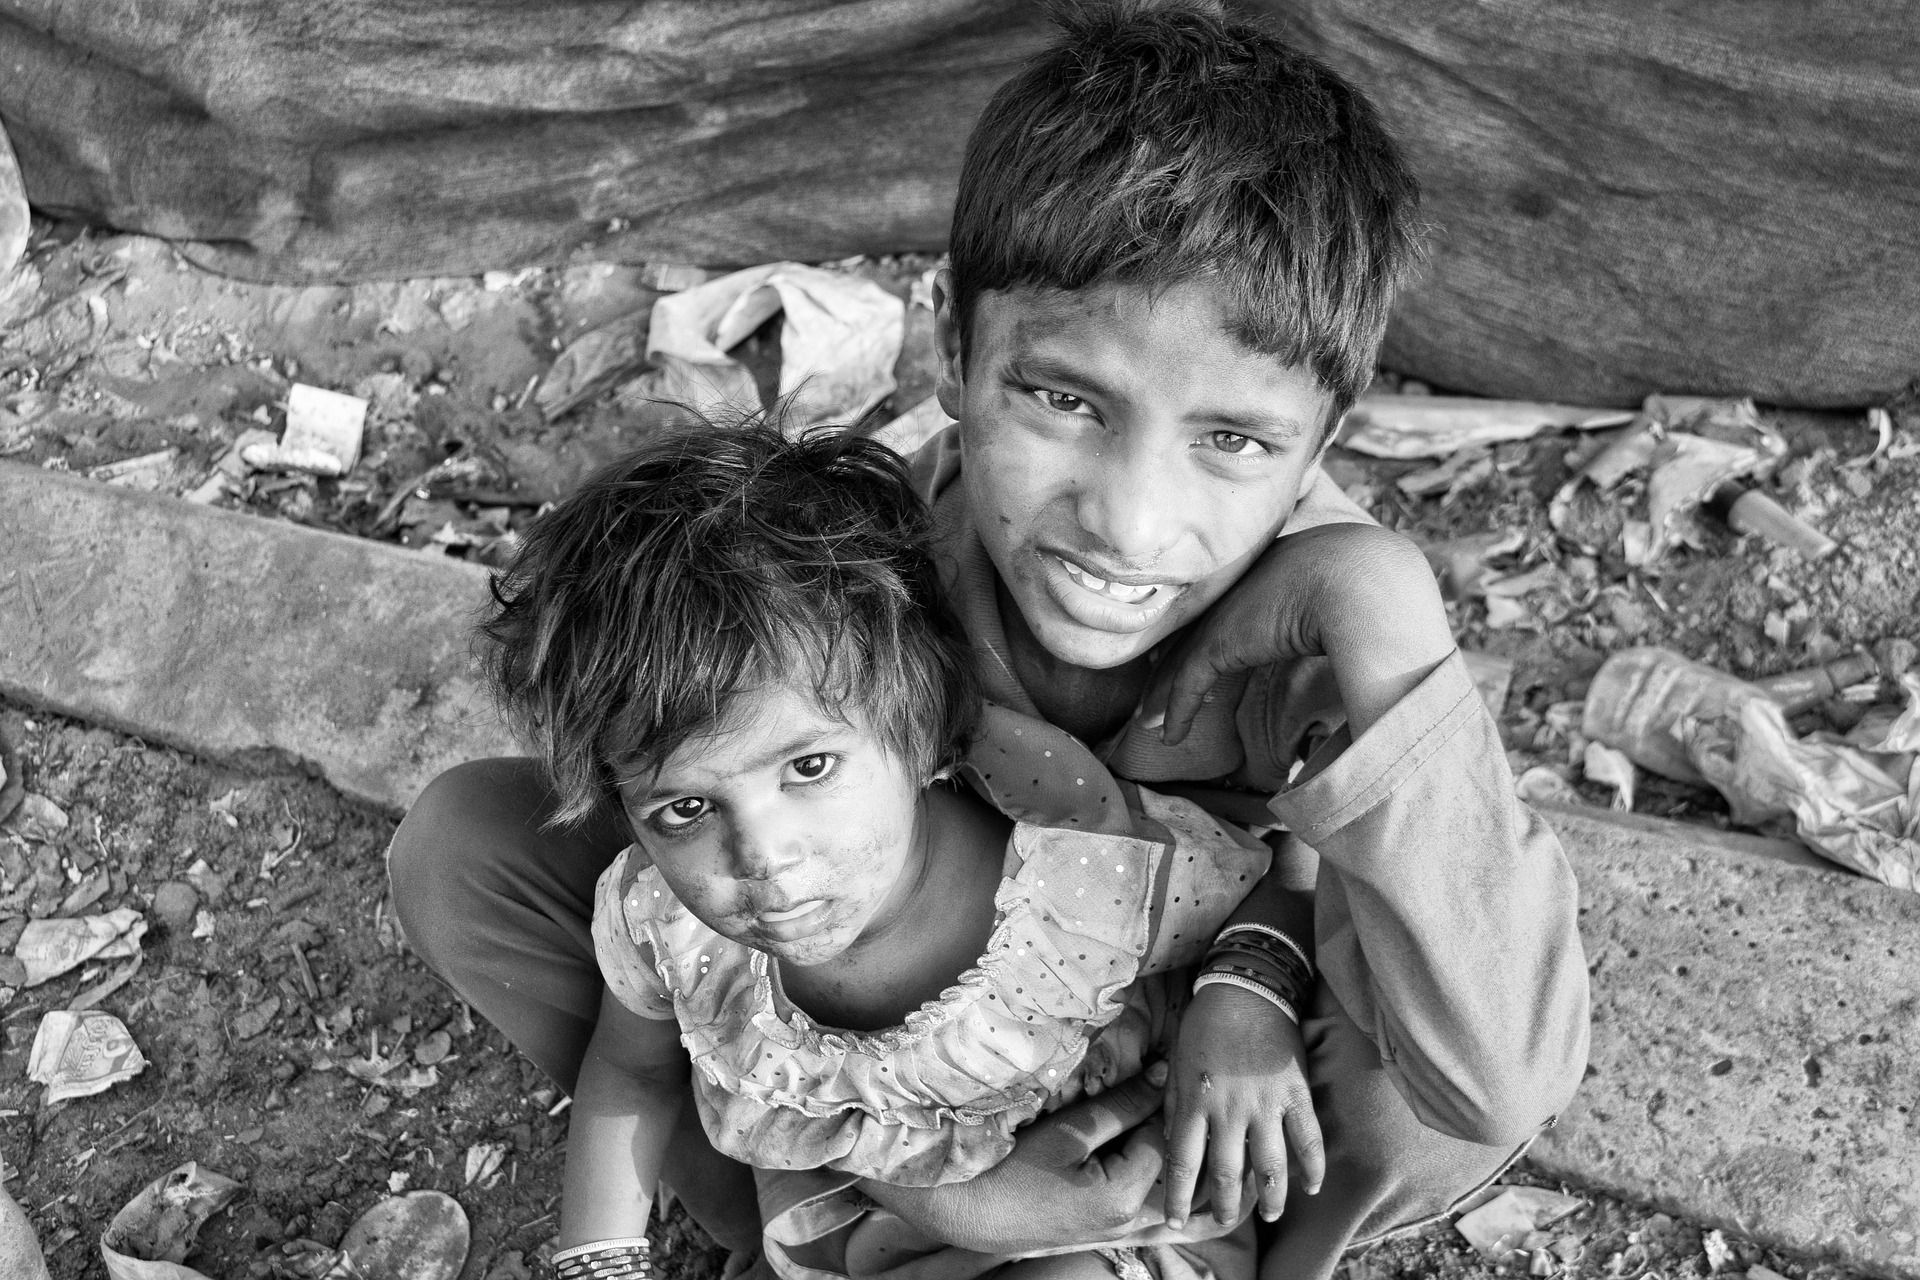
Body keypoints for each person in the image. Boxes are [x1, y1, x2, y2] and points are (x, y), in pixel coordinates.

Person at [390, 4, 1590, 1278]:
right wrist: (941, 1192)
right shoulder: (862, 562)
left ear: (1318, 446)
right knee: (467, 848)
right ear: (957, 356)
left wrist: (1375, 591)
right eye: (1066, 400)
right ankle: (791, 1235)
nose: (1128, 522)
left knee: (1439, 1026)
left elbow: (1493, 1076)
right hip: (865, 1093)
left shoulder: (1340, 649)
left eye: (1232, 440)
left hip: (1162, 1154)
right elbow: (757, 892)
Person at [484, 419, 1295, 1280]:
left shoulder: (1081, 884)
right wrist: (597, 1263)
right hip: (863, 1246)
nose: (764, 857)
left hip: (1106, 1231)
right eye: (685, 807)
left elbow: (1266, 888)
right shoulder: (667, 926)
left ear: (919, 730)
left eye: (810, 766)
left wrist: (1246, 1005)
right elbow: (629, 1075)